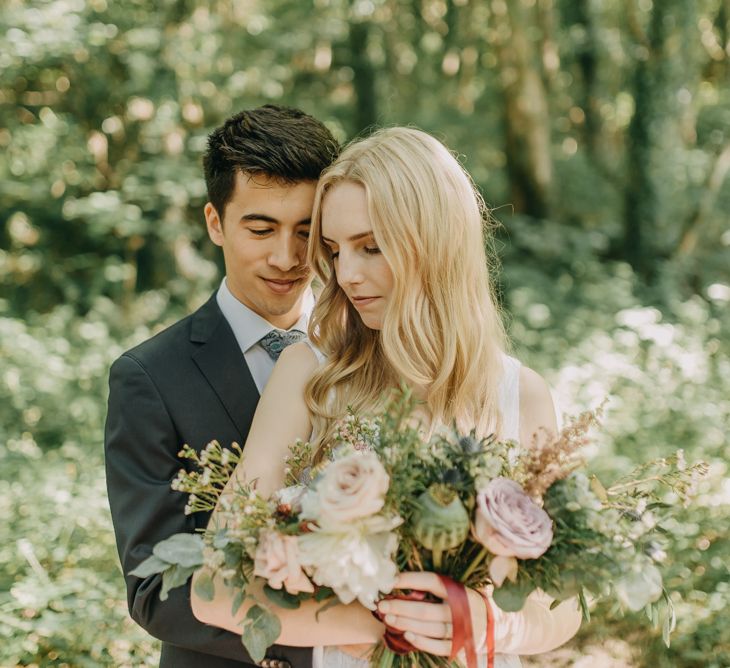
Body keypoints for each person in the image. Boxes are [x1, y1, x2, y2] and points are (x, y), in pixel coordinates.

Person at [190, 127, 583, 667]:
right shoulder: (307, 376)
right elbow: (209, 588)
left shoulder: (523, 395)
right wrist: (378, 625)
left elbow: (565, 604)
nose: (346, 275)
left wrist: (495, 625)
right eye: (335, 249)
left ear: (436, 242)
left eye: (371, 247)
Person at [104, 104, 339, 668]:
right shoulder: (149, 378)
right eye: (260, 229)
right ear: (215, 222)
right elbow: (153, 587)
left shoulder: (369, 353)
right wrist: (321, 637)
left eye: (306, 232)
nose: (287, 258)